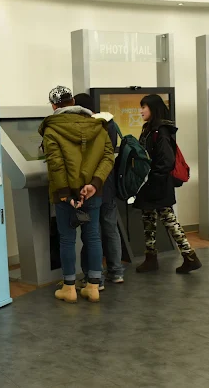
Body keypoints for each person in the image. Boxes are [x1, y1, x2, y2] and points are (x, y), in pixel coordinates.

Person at [39, 86, 115, 303]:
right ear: (73, 101)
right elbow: (108, 157)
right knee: (92, 236)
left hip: (66, 194)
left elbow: (56, 164)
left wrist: (65, 193)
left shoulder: (51, 129)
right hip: (93, 192)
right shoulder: (97, 125)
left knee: (67, 239)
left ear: (54, 106)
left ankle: (69, 287)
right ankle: (93, 286)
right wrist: (94, 183)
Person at [133, 94, 202, 274]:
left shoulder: (160, 131)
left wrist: (152, 178)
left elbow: (166, 161)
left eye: (144, 107)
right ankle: (152, 257)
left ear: (153, 109)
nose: (141, 111)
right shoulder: (150, 128)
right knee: (149, 218)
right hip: (151, 182)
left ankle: (189, 256)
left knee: (168, 219)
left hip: (158, 183)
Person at [73, 93, 125, 291]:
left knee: (91, 232)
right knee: (111, 229)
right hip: (109, 183)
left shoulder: (86, 126)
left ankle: (93, 278)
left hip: (91, 186)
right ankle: (116, 272)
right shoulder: (109, 123)